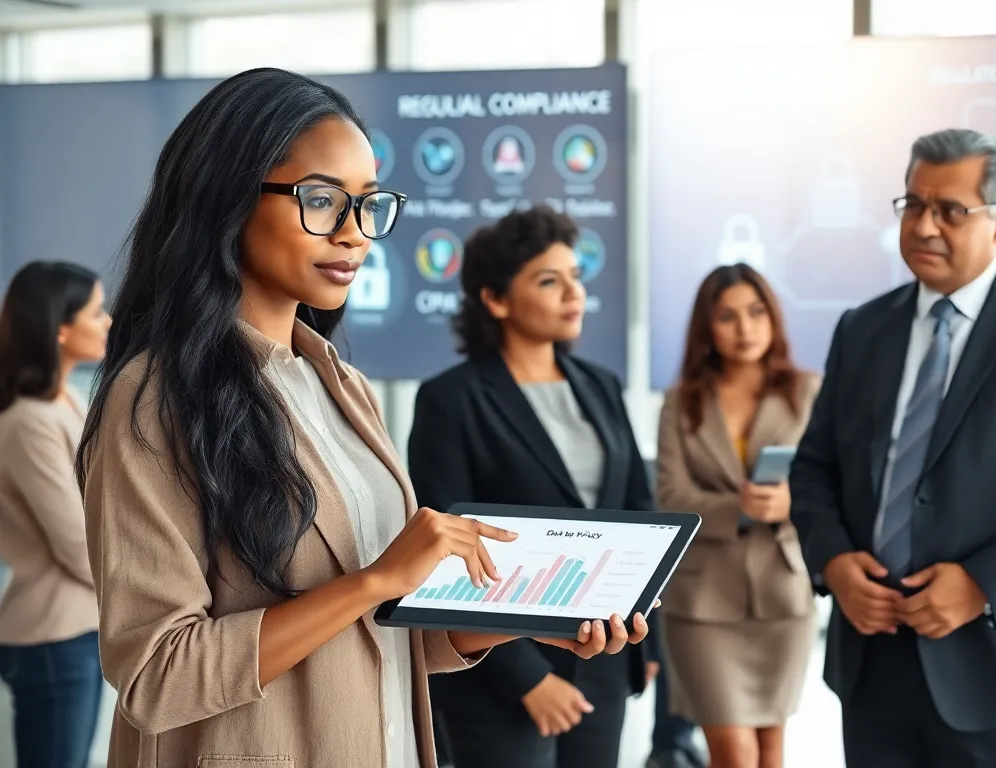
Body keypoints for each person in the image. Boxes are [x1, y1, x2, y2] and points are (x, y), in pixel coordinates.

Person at [75, 68, 648, 768]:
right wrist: (374, 580)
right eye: (321, 200)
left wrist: (516, 621)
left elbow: (376, 637)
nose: (355, 235)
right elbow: (158, 676)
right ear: (227, 198)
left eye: (368, 205)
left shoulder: (343, 387)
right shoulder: (155, 399)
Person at [789, 128, 996, 768]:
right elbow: (813, 469)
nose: (924, 227)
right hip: (873, 657)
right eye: (914, 205)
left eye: (950, 210)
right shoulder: (863, 328)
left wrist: (982, 585)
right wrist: (832, 562)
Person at [408, 205, 658, 768]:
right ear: (496, 300)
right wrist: (527, 680)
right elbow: (451, 550)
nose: (573, 293)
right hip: (499, 674)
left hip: (604, 653)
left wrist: (649, 640)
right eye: (549, 280)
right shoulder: (450, 399)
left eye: (576, 276)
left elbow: (639, 514)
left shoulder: (602, 385)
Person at [655, 264, 818, 768]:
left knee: (771, 751)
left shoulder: (808, 392)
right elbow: (670, 497)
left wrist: (790, 505)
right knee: (734, 753)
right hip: (703, 601)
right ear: (707, 327)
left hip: (783, 593)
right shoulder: (681, 402)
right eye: (727, 317)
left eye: (756, 312)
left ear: (773, 318)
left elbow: (832, 486)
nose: (745, 328)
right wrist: (736, 508)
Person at [0, 261, 111, 768]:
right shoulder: (30, 421)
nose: (108, 320)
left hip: (75, 631)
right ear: (60, 328)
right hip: (53, 637)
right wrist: (144, 590)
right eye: (96, 311)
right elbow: (75, 543)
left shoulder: (66, 398)